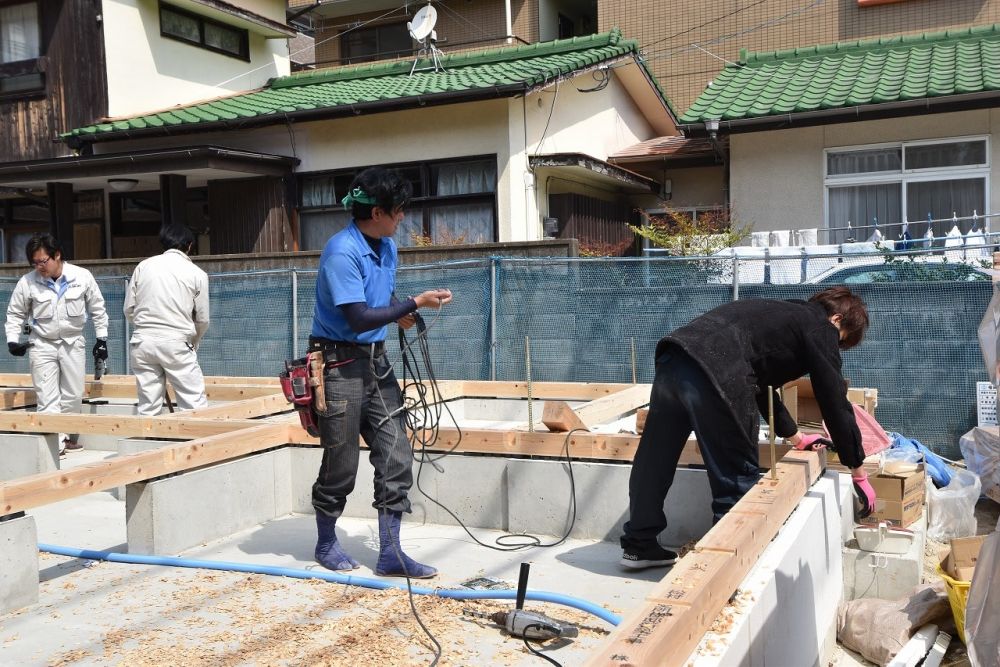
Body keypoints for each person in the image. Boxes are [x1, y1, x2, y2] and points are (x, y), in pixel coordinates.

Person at [620, 287, 876, 570]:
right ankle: (724, 567)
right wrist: (858, 470)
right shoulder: (820, 327)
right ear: (837, 319)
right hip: (715, 371)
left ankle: (638, 545)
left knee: (655, 459)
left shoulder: (780, 314)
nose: (835, 348)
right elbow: (833, 399)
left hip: (675, 359)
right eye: (841, 342)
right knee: (735, 477)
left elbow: (758, 385)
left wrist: (796, 436)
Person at [308, 166, 453, 578]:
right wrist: (413, 303)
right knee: (341, 460)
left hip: (376, 360)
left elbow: (378, 299)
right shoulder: (342, 251)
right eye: (398, 210)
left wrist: (402, 310)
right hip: (337, 363)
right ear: (375, 213)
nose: (403, 217)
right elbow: (355, 317)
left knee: (396, 453)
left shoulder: (386, 246)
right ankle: (325, 542)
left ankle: (390, 551)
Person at [5, 234, 108, 454]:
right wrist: (13, 341)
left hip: (73, 342)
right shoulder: (28, 282)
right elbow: (15, 313)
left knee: (73, 393)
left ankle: (66, 436)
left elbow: (98, 308)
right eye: (35, 262)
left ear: (57, 255)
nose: (39, 267)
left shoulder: (81, 276)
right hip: (42, 343)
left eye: (43, 261)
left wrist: (102, 339)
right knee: (47, 394)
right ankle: (55, 442)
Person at [123, 225, 209, 415]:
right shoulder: (197, 273)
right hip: (176, 342)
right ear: (190, 245)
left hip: (142, 343)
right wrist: (194, 342)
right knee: (193, 402)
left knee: (148, 405)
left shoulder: (143, 266)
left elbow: (129, 309)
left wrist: (143, 329)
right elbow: (202, 319)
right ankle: (195, 443)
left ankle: (147, 443)